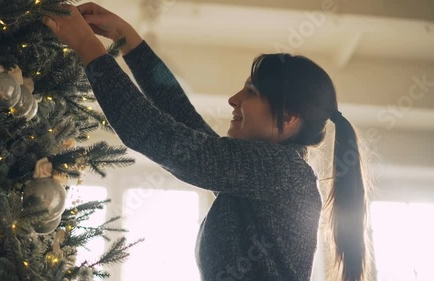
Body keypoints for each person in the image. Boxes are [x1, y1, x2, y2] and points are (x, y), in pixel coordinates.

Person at [42, 3, 371, 281]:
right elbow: (183, 121)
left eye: (251, 93)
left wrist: (89, 48)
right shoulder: (271, 173)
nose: (234, 99)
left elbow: (156, 134)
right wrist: (130, 41)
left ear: (288, 118)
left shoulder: (280, 171)